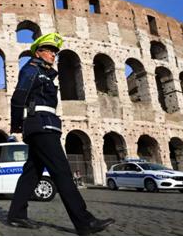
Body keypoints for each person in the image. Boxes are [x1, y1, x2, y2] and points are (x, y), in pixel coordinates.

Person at [7, 33, 115, 235]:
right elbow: (18, 96)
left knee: (32, 173)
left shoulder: (45, 73)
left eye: (55, 52)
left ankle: (16, 215)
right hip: (40, 126)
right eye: (49, 51)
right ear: (38, 52)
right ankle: (84, 222)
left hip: (46, 125)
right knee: (62, 172)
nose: (53, 55)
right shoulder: (31, 69)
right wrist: (16, 126)